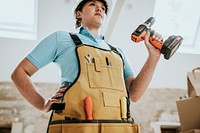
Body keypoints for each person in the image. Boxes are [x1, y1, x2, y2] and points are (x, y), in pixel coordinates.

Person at [11, 0, 162, 132]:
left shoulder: (118, 52)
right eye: (92, 4)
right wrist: (42, 104)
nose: (100, 9)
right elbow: (20, 72)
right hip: (77, 126)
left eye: (103, 7)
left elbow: (134, 94)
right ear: (78, 14)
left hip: (118, 127)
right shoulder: (61, 39)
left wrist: (153, 57)